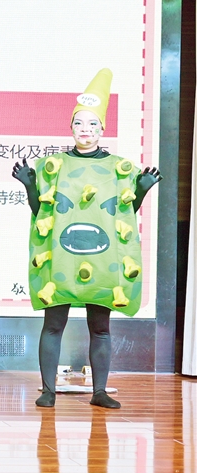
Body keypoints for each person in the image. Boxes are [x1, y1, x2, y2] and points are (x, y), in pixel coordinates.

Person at [11, 68, 160, 409]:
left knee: (100, 326)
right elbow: (41, 211)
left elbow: (123, 214)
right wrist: (30, 185)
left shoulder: (119, 168)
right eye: (79, 123)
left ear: (102, 129)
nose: (86, 130)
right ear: (71, 127)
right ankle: (48, 390)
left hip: (101, 260)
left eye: (93, 124)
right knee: (54, 323)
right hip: (61, 258)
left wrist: (140, 190)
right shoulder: (53, 166)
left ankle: (99, 391)